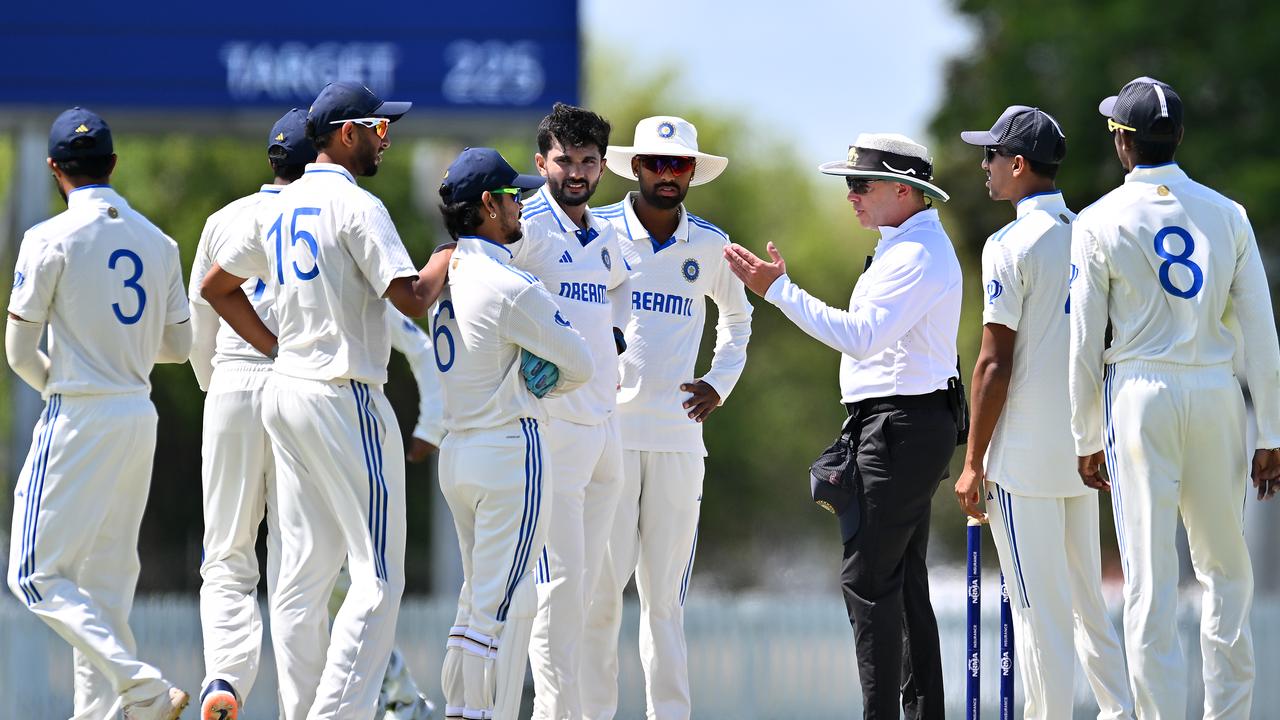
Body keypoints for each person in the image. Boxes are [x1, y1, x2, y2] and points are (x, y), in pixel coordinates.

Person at [200, 81, 445, 720]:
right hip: (344, 395)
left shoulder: (278, 206)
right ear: (345, 133)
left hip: (289, 392)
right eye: (378, 129)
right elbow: (414, 298)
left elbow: (217, 287)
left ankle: (302, 707)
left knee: (301, 580)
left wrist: (276, 347)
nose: (384, 140)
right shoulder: (357, 206)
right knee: (377, 577)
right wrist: (452, 252)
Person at [724, 133, 959, 719]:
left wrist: (778, 290)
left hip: (902, 423)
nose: (850, 195)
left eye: (861, 184)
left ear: (903, 190)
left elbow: (859, 337)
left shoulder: (916, 255)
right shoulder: (901, 246)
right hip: (898, 420)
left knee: (869, 580)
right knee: (899, 581)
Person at [1071, 76, 1280, 718]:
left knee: (1152, 582)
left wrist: (1085, 435)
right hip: (1219, 394)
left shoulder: (1100, 218)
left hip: (1140, 394)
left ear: (1122, 142)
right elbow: (1262, 338)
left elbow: (1082, 342)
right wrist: (1270, 432)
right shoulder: (1230, 214)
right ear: (1180, 136)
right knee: (1227, 574)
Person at [5, 107, 192, 720]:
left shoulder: (48, 239)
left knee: (32, 574)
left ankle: (138, 685)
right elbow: (180, 348)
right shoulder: (158, 242)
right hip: (137, 414)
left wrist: (57, 382)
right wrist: (124, 354)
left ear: (55, 170)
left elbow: (17, 349)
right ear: (113, 164)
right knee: (106, 592)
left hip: (78, 412)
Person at [953, 106, 1133, 720]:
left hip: (1024, 465)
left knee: (1038, 615)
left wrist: (973, 461)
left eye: (993, 156)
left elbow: (992, 364)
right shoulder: (1089, 232)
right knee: (1088, 605)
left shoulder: (1009, 244)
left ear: (1019, 165)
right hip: (1084, 454)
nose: (986, 167)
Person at [582, 116, 753, 720]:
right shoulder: (597, 231)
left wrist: (719, 383)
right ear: (635, 168)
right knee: (600, 597)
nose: (667, 175)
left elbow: (738, 319)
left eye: (679, 165)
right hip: (609, 437)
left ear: (692, 174)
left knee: (664, 603)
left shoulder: (709, 243)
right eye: (656, 163)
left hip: (680, 440)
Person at [431, 146, 594, 720]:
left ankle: (464, 708)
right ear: (487, 205)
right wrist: (541, 379)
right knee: (497, 604)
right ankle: (473, 713)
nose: (520, 205)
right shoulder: (511, 284)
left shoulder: (448, 273)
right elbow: (580, 363)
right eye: (511, 197)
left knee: (481, 595)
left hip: (458, 453)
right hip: (508, 452)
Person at [509, 103, 630, 720]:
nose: (576, 172)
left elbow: (614, 301)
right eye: (565, 160)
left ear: (603, 166)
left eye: (588, 161)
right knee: (557, 593)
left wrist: (610, 342)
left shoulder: (605, 235)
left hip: (606, 427)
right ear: (541, 163)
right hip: (554, 430)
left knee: (583, 597)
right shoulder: (524, 225)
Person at [188, 107, 306, 720]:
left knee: (227, 555)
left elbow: (199, 323)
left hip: (233, 381)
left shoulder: (224, 218)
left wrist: (220, 391)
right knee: (295, 556)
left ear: (270, 160)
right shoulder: (325, 213)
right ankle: (298, 702)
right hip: (300, 385)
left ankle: (225, 681)